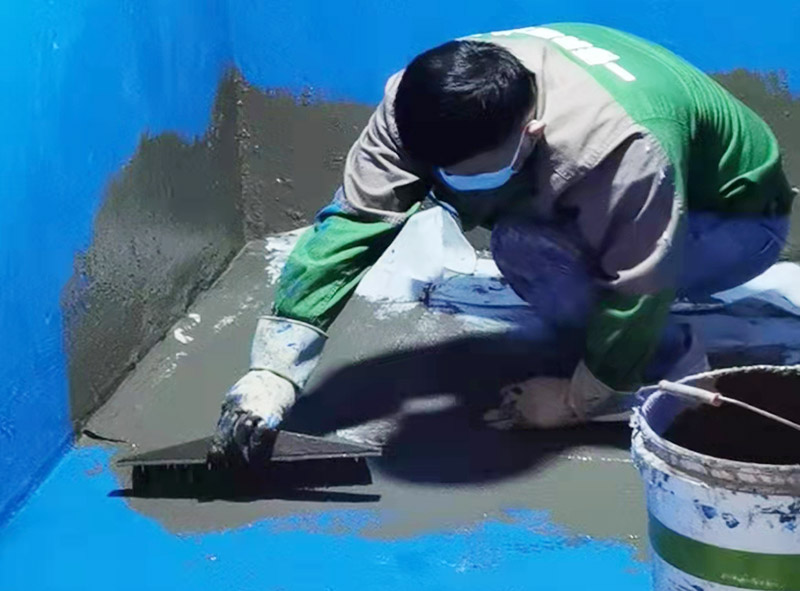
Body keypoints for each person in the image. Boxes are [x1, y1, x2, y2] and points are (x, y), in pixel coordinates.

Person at [210, 23, 795, 461]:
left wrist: (576, 400)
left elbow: (638, 283)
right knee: (525, 243)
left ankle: (665, 364)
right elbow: (354, 223)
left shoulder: (622, 148)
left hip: (735, 220)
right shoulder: (419, 100)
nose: (442, 184)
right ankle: (613, 344)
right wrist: (276, 367)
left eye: (466, 173)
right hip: (628, 173)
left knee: (535, 253)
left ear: (531, 132)